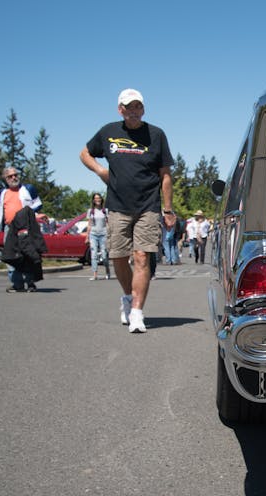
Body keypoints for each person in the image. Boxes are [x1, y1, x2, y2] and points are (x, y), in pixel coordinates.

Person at [79, 88, 175, 333]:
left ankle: (136, 312)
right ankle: (127, 297)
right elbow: (84, 153)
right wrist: (100, 171)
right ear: (120, 109)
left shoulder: (156, 134)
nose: (134, 111)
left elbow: (165, 175)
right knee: (118, 257)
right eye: (129, 107)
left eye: (138, 107)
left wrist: (168, 209)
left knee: (142, 257)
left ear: (143, 108)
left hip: (148, 206)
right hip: (118, 206)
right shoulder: (108, 132)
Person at [0, 167, 44, 292]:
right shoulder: (3, 193)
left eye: (15, 175)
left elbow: (38, 205)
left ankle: (30, 283)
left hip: (25, 227)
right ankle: (17, 284)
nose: (14, 178)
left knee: (28, 255)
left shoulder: (28, 189)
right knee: (10, 256)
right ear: (5, 179)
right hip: (10, 228)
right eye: (10, 176)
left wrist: (32, 214)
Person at [85, 193, 111, 280]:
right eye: (96, 198)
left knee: (104, 255)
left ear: (101, 199)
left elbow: (107, 223)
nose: (97, 200)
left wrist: (109, 234)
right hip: (93, 234)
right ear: (93, 200)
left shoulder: (105, 210)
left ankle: (107, 270)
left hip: (103, 234)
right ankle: (95, 274)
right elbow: (89, 224)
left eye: (99, 198)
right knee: (94, 255)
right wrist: (87, 236)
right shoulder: (91, 211)